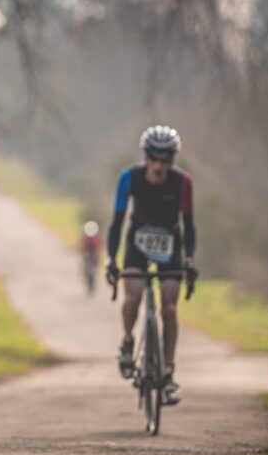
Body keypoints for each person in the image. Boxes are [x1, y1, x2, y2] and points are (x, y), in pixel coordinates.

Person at [104, 126, 197, 405]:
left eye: (165, 160)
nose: (158, 165)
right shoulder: (129, 178)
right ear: (146, 157)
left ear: (172, 160)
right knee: (132, 295)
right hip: (137, 245)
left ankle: (168, 373)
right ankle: (128, 341)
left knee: (169, 305)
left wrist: (189, 260)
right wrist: (111, 259)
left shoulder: (182, 183)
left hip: (170, 246)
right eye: (154, 159)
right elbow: (117, 221)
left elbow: (189, 226)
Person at [79, 221, 103, 293]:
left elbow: (99, 246)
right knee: (87, 268)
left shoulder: (96, 237)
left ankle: (92, 282)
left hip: (94, 253)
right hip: (89, 253)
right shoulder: (86, 237)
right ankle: (89, 279)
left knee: (93, 268)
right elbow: (82, 246)